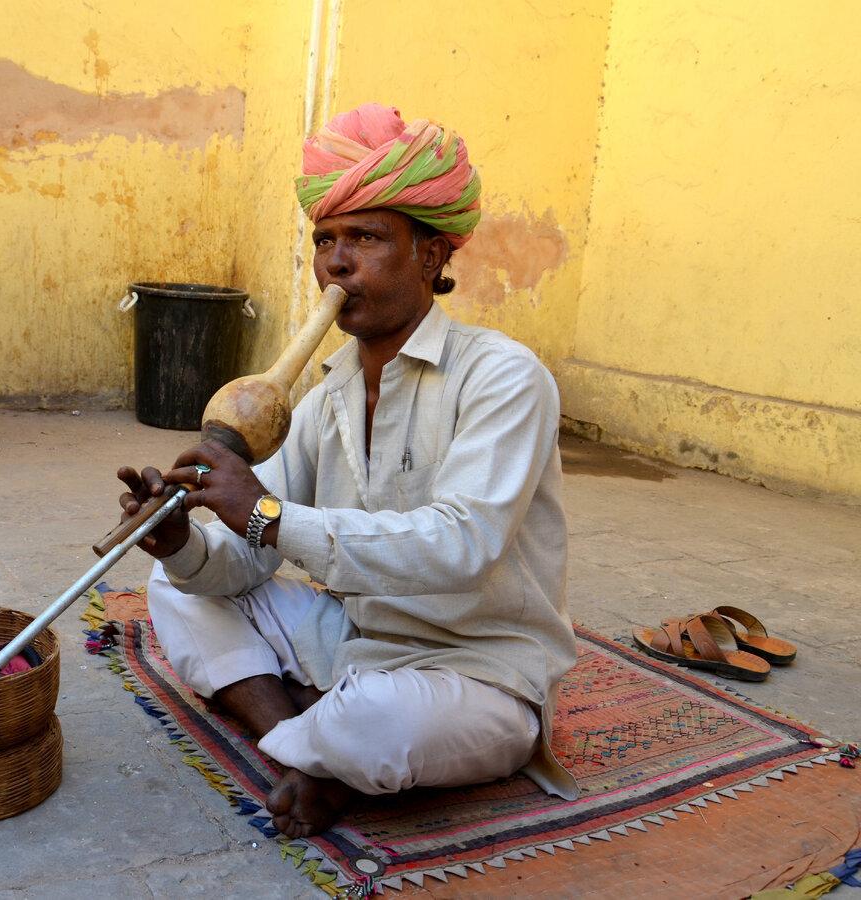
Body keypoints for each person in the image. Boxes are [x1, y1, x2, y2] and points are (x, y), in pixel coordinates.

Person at [115, 103, 578, 838]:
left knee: (378, 721)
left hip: (478, 669)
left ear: (429, 255)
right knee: (173, 588)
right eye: (325, 239)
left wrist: (264, 511)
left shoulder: (504, 377)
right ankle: (304, 759)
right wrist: (185, 545)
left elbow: (462, 546)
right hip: (358, 640)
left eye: (365, 237)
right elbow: (248, 562)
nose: (336, 261)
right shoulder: (326, 396)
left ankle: (321, 740)